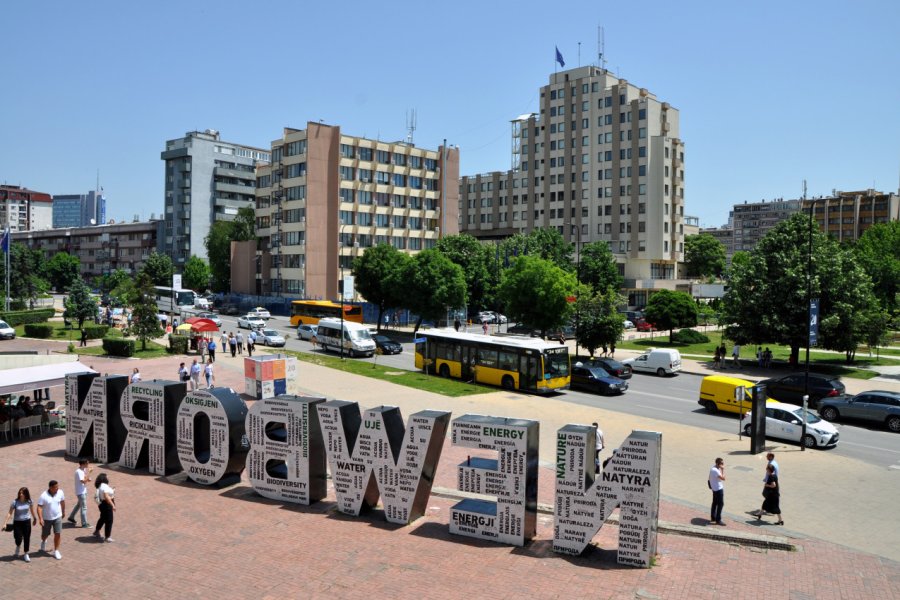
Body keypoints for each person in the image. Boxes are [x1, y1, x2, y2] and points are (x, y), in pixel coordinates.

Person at [3, 486, 37, 563]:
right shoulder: (15, 502)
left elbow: (32, 510)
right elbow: (9, 513)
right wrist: (5, 523)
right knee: (17, 538)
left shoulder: (29, 501)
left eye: (22, 493)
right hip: (17, 522)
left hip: (27, 522)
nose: (21, 494)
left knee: (27, 537)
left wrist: (35, 518)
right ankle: (18, 546)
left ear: (26, 494)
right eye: (20, 493)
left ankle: (26, 553)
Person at [37, 480, 66, 560]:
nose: (57, 488)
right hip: (47, 519)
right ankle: (43, 541)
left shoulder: (60, 492)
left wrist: (63, 511)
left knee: (58, 533)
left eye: (58, 486)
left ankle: (56, 550)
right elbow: (39, 507)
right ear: (50, 487)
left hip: (57, 516)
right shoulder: (44, 496)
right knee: (45, 535)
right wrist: (40, 518)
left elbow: (62, 502)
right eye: (55, 487)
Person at [67, 458, 92, 528]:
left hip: (82, 491)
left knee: (78, 505)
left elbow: (85, 479)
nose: (88, 464)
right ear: (83, 464)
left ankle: (71, 517)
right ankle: (84, 523)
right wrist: (89, 474)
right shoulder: (78, 471)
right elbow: (83, 481)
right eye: (87, 463)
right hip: (81, 492)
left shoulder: (83, 470)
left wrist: (88, 478)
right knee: (84, 507)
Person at [92, 473, 116, 543]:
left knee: (102, 518)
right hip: (107, 505)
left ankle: (97, 531)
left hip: (102, 504)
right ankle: (107, 537)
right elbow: (106, 496)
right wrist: (113, 505)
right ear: (104, 479)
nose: (108, 478)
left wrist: (113, 490)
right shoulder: (104, 486)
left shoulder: (101, 486)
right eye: (107, 477)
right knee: (109, 520)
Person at [708, 457, 726, 526]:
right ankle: (718, 520)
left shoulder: (713, 468)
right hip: (718, 490)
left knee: (714, 503)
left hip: (714, 489)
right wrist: (722, 470)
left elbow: (709, 478)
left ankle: (713, 517)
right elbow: (724, 478)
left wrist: (712, 487)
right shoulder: (716, 470)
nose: (723, 465)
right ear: (718, 464)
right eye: (722, 464)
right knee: (721, 504)